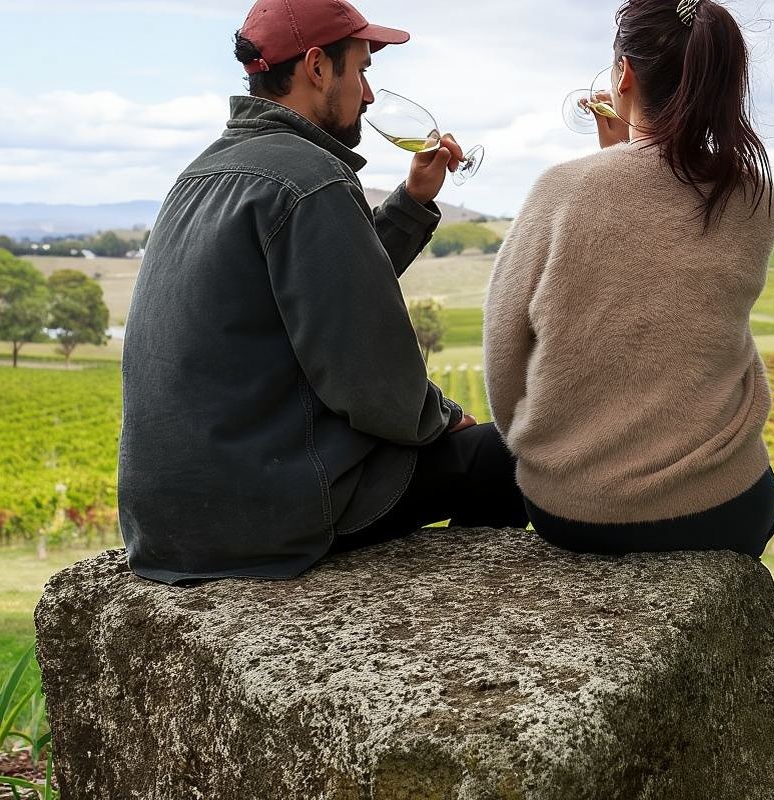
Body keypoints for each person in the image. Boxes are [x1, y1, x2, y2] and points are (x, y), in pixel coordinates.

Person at [119, 0, 527, 585]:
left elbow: (330, 288)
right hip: (267, 512)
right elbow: (371, 376)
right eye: (361, 71)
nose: (367, 95)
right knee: (510, 455)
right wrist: (443, 418)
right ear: (316, 67)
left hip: (169, 522)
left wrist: (412, 205)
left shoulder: (201, 175)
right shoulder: (313, 179)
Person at [483, 0, 774, 557]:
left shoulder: (563, 191)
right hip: (728, 506)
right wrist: (625, 158)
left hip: (574, 510)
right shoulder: (753, 196)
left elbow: (504, 360)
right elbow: (687, 316)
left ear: (624, 74)